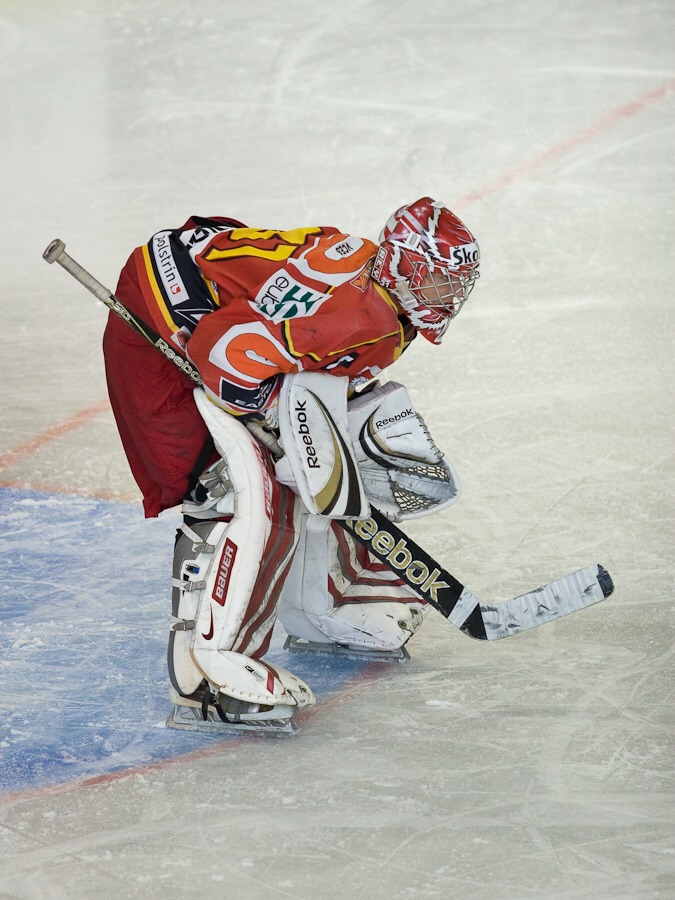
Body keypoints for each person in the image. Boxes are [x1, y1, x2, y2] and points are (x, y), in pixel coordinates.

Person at [102, 197, 480, 732]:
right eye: (439, 280)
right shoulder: (356, 315)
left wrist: (302, 425)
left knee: (314, 459)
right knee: (225, 487)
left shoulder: (374, 291)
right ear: (403, 268)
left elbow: (290, 341)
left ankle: (329, 606)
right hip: (158, 312)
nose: (450, 294)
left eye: (455, 282)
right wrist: (278, 416)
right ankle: (204, 674)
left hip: (199, 288)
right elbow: (223, 354)